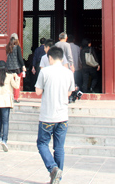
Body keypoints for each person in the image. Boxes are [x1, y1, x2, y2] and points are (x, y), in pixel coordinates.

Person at [35, 46, 75, 184]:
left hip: (47, 115)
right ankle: (58, 178)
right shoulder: (68, 73)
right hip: (62, 115)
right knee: (59, 148)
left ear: (50, 58)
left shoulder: (45, 71)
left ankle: (53, 168)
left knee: (42, 144)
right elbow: (70, 92)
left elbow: (38, 92)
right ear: (62, 58)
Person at [6, 33, 26, 102]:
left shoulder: (7, 47)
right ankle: (15, 98)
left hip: (9, 68)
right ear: (17, 40)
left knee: (9, 83)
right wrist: (23, 65)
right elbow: (20, 58)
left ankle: (9, 97)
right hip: (17, 68)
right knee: (16, 83)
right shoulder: (17, 47)